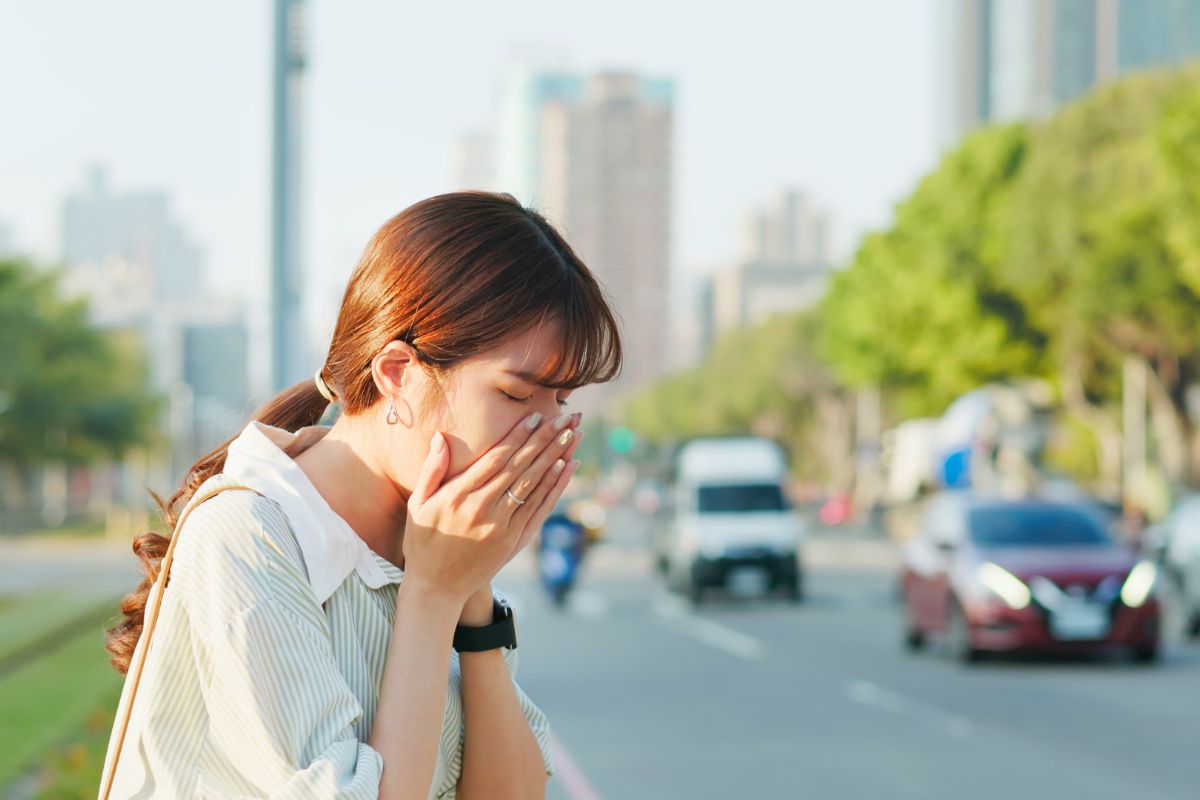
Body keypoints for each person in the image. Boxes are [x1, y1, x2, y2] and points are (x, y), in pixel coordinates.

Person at [99, 192, 623, 799]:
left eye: (560, 401)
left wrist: (469, 589)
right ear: (397, 373)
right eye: (515, 394)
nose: (544, 431)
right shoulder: (248, 533)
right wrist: (433, 593)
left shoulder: (433, 539)